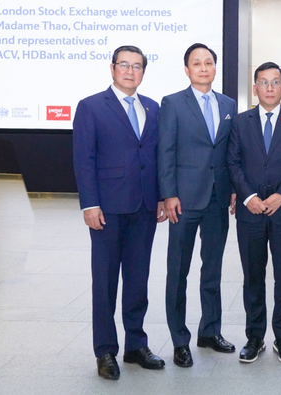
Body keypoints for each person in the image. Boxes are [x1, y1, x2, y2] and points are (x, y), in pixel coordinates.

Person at [73, 45, 166, 380]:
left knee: (138, 280)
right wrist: (89, 203)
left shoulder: (153, 108)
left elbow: (155, 158)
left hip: (143, 206)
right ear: (112, 69)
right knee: (105, 281)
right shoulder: (91, 107)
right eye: (124, 65)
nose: (130, 71)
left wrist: (160, 196)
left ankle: (135, 345)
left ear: (143, 72)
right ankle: (105, 351)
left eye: (137, 66)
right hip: (107, 209)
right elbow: (84, 160)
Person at [159, 43, 238, 368]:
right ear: (187, 69)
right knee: (178, 272)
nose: (203, 68)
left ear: (215, 68)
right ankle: (180, 340)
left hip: (218, 199)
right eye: (197, 63)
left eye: (208, 62)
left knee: (213, 270)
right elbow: (165, 151)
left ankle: (210, 330)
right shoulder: (173, 103)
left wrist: (233, 189)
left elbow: (231, 152)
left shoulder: (228, 104)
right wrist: (168, 194)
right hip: (184, 200)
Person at [227, 62, 281, 364]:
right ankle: (254, 337)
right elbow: (233, 163)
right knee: (253, 276)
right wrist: (248, 196)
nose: (270, 88)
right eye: (263, 82)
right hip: (249, 213)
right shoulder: (240, 122)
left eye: (275, 82)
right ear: (255, 88)